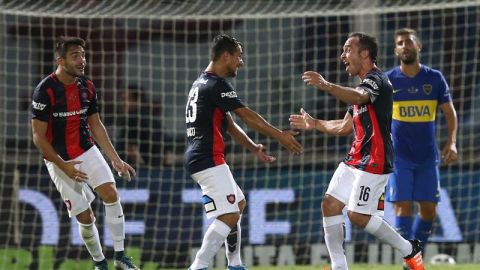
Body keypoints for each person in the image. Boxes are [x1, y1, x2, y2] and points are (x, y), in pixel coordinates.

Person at [289, 32, 424, 270]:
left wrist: (326, 85)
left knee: (357, 216)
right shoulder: (361, 87)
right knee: (330, 204)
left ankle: (408, 250)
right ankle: (339, 267)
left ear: (364, 54)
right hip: (355, 158)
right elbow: (343, 126)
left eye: (347, 49)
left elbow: (360, 96)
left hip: (375, 159)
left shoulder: (377, 80)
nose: (342, 56)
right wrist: (315, 124)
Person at [184, 34, 303, 270]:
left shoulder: (202, 83)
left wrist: (253, 148)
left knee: (237, 204)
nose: (241, 62)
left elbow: (228, 124)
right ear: (225, 56)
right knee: (229, 216)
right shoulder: (217, 85)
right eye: (239, 56)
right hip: (206, 158)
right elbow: (247, 116)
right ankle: (197, 266)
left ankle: (235, 264)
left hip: (204, 157)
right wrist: (279, 135)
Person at [31, 36, 139, 270]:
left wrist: (115, 159)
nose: (82, 61)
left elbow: (96, 124)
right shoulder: (45, 91)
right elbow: (38, 137)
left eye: (83, 55)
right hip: (58, 158)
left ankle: (120, 258)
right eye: (75, 56)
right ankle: (100, 263)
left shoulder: (87, 86)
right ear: (60, 60)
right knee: (86, 217)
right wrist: (64, 165)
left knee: (111, 193)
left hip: (86, 149)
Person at [385, 28, 458, 253]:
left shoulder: (434, 78)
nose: (404, 46)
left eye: (408, 41)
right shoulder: (388, 79)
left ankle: (414, 253)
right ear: (396, 50)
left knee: (429, 211)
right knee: (402, 207)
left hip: (427, 156)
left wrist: (451, 142)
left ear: (419, 46)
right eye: (400, 43)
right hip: (400, 157)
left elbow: (449, 112)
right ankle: (410, 261)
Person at [117, 85, 170, 167]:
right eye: (122, 99)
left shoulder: (131, 119)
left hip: (137, 171)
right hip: (157, 170)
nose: (123, 103)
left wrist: (142, 169)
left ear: (138, 100)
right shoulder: (153, 118)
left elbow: (130, 148)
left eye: (126, 99)